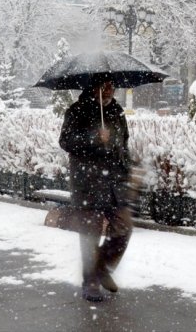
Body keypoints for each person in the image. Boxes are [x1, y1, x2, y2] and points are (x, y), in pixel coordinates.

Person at [59, 78, 133, 302]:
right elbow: (66, 141)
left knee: (123, 228)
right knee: (90, 234)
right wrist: (94, 138)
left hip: (113, 183)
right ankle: (90, 281)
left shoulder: (117, 111)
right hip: (88, 182)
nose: (109, 90)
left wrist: (125, 168)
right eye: (104, 86)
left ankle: (103, 268)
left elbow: (124, 142)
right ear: (93, 87)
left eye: (112, 86)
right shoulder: (77, 111)